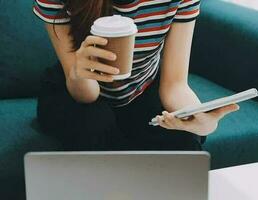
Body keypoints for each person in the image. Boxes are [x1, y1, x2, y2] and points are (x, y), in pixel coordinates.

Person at [33, 0, 239, 151]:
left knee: (184, 138)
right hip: (76, 89)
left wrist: (202, 122)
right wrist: (81, 72)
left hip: (142, 89)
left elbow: (175, 86)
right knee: (94, 123)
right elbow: (86, 95)